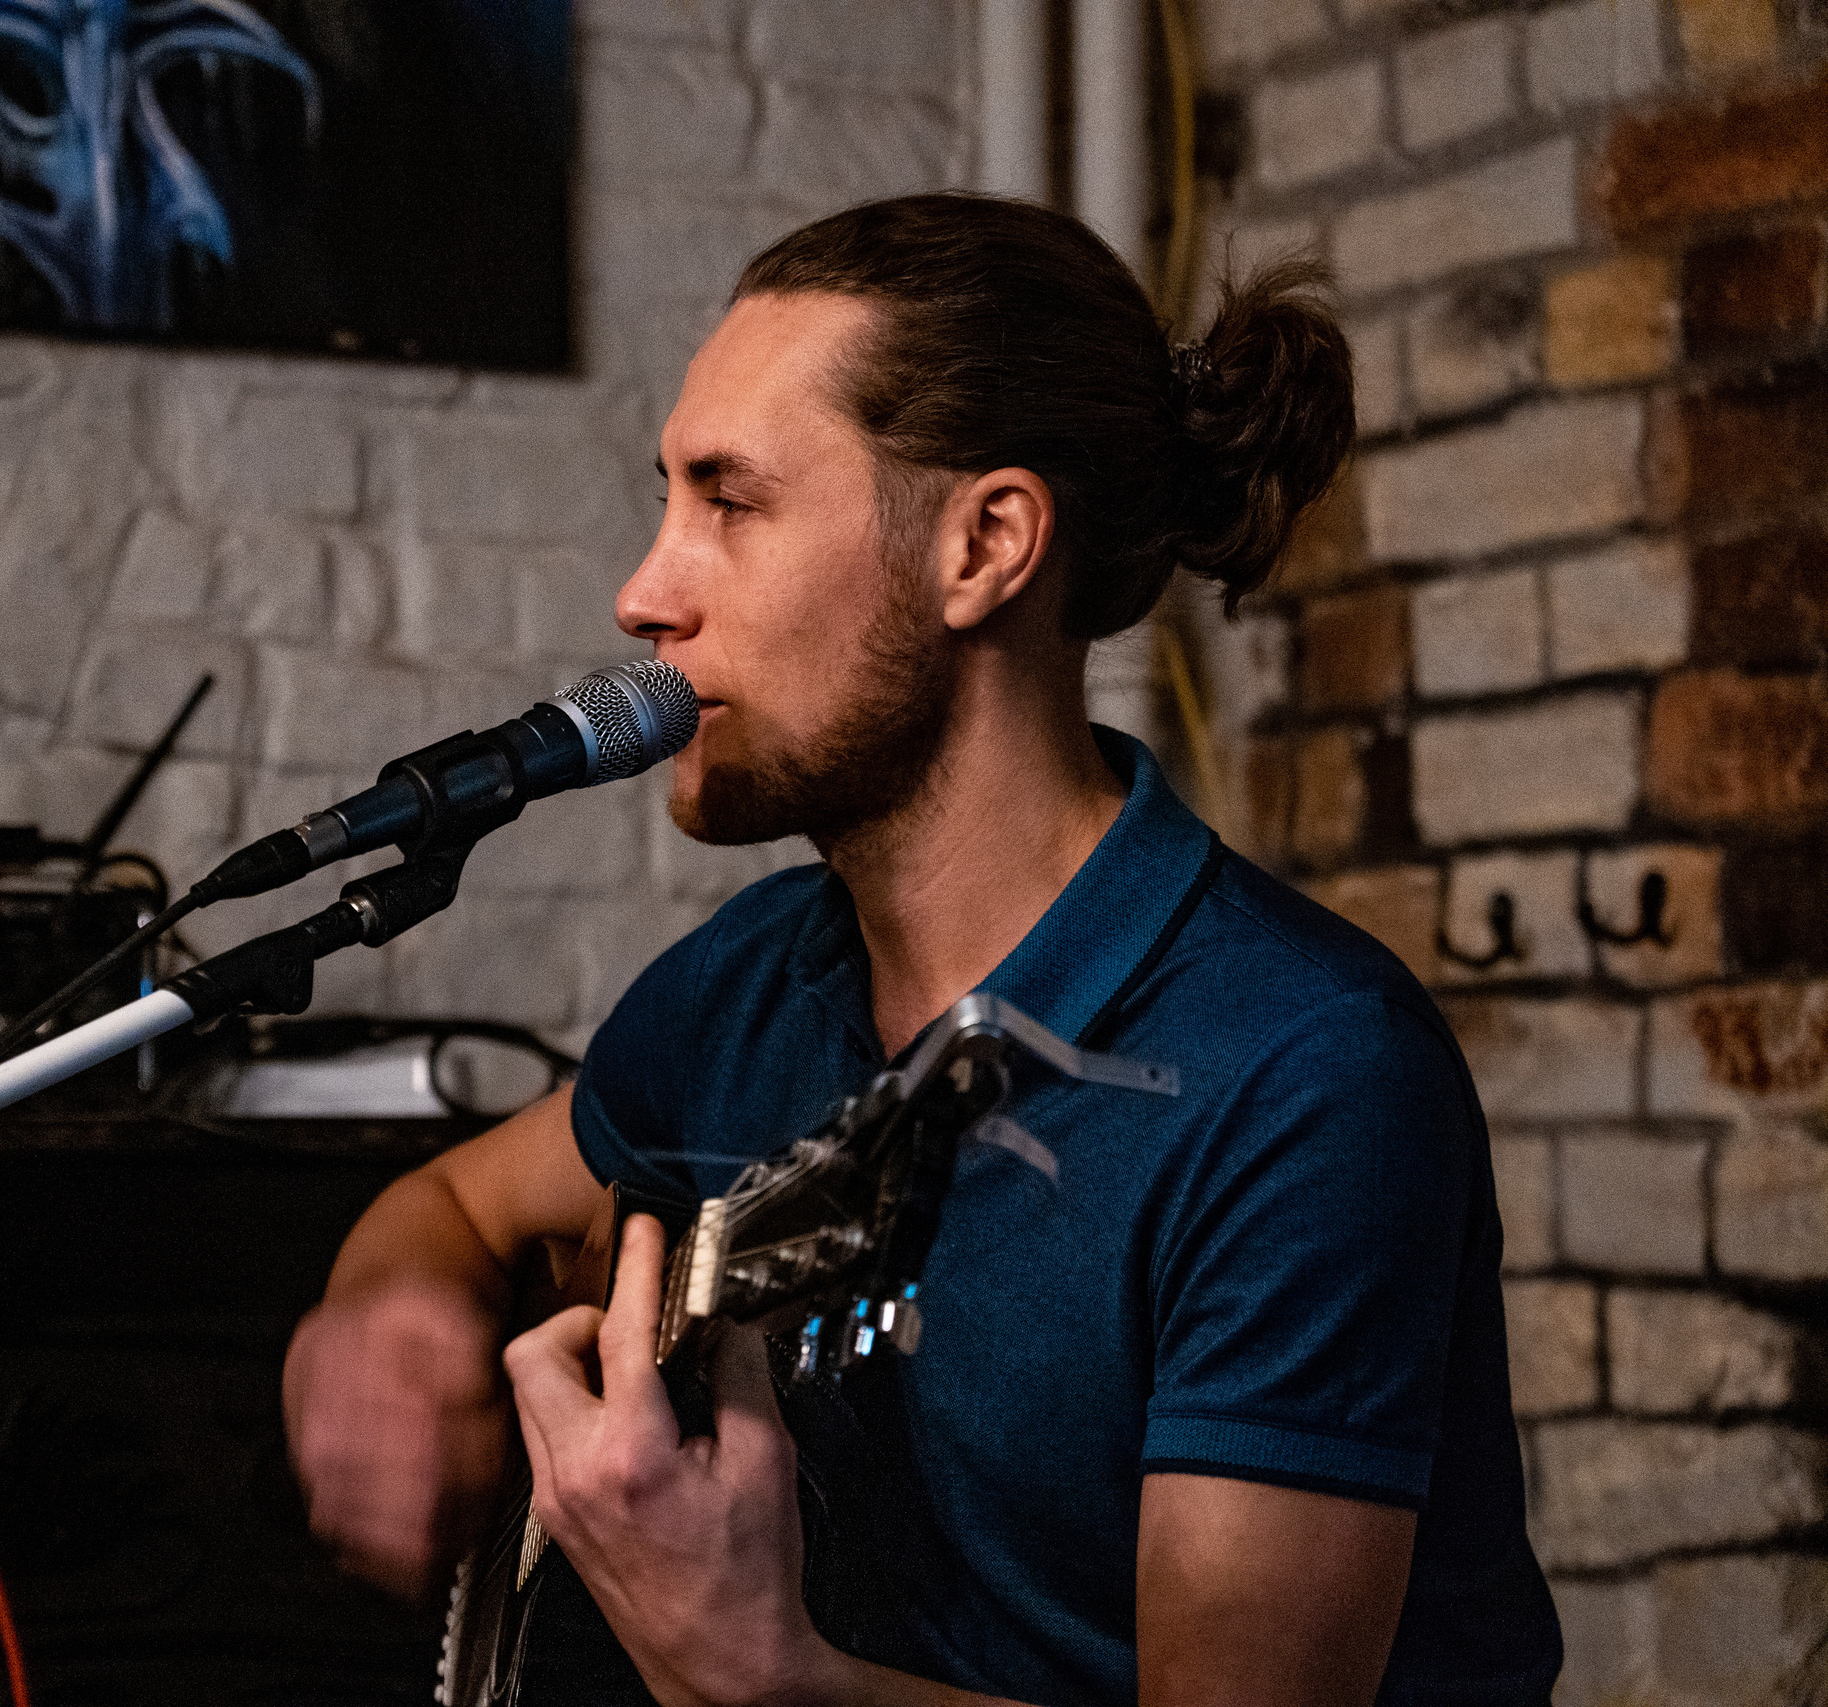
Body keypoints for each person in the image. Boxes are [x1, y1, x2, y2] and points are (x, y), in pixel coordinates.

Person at [280, 193, 1561, 1706]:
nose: (644, 594)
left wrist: (759, 1675)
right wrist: (388, 1312)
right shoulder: (752, 984)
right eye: (666, 499)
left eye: (729, 504)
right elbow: (450, 1206)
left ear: (985, 547)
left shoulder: (1302, 1075)